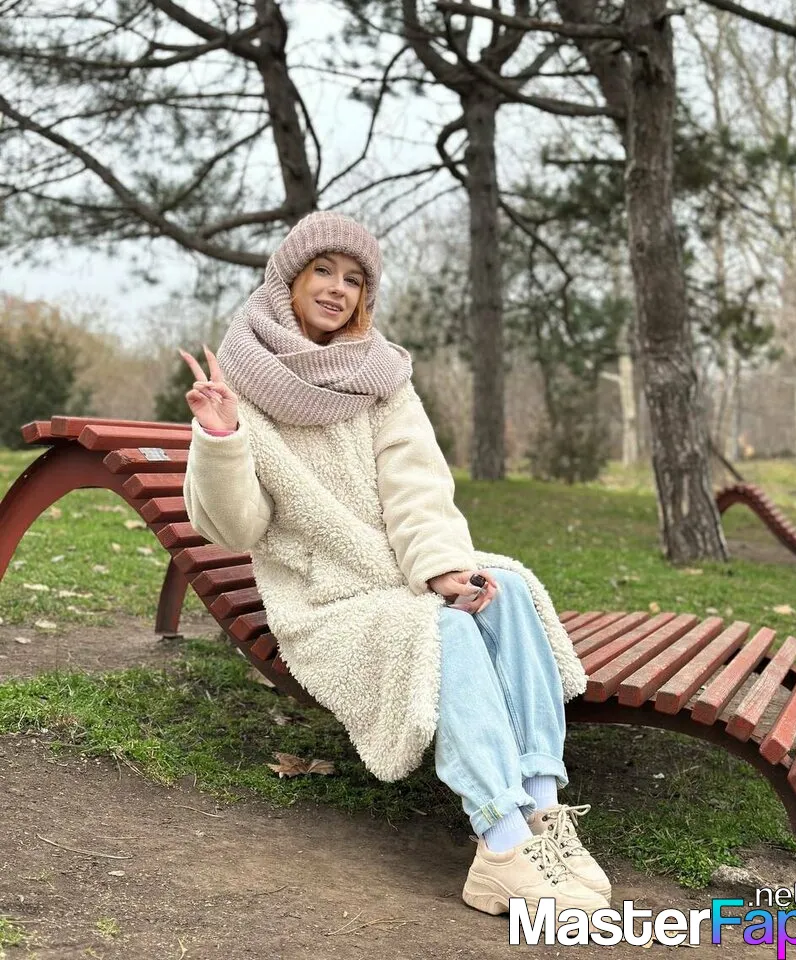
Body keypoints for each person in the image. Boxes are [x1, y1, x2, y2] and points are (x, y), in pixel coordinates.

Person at [180, 211, 611, 920]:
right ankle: (500, 844)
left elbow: (417, 485)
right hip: (325, 600)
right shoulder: (245, 378)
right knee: (444, 630)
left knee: (505, 590)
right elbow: (236, 527)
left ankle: (541, 813)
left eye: (354, 280)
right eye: (323, 270)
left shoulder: (381, 375)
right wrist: (222, 436)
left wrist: (441, 569)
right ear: (289, 278)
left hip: (397, 576)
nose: (337, 289)